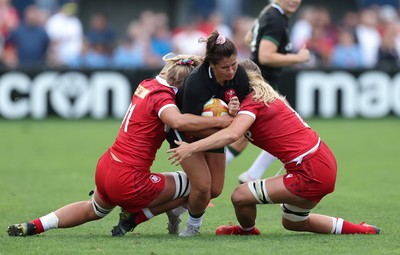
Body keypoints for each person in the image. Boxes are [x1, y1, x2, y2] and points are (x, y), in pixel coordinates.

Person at [7, 53, 233, 237]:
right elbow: (177, 121)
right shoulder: (163, 98)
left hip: (106, 167)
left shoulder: (148, 84)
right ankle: (140, 217)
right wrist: (223, 121)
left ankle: (35, 225)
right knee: (200, 186)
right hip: (129, 181)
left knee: (92, 209)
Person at [167, 58, 380, 236]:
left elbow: (232, 134)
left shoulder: (254, 100)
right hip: (318, 162)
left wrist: (191, 148)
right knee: (294, 222)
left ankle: (247, 231)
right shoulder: (263, 98)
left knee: (240, 196)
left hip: (310, 169)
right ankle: (363, 230)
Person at [114, 30, 249, 237]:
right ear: (211, 65)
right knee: (202, 187)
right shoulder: (196, 83)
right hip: (185, 134)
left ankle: (157, 212)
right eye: (225, 67)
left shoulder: (239, 75)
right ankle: (192, 229)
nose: (231, 71)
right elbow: (187, 125)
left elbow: (243, 110)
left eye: (234, 64)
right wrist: (224, 124)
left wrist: (234, 109)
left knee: (215, 190)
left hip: (214, 130)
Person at [226, 0, 310, 184]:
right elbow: (265, 56)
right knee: (289, 126)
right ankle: (205, 182)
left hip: (260, 80)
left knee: (243, 137)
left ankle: (249, 176)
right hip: (264, 83)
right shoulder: (276, 19)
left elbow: (249, 38)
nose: (295, 0)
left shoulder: (269, 14)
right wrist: (298, 57)